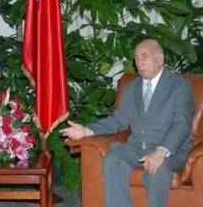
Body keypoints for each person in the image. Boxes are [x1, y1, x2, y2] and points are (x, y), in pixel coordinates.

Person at [60, 39, 194, 207]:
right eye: (136, 58)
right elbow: (119, 120)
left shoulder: (180, 86)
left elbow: (182, 124)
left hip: (171, 149)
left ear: (160, 59)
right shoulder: (132, 88)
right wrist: (87, 130)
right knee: (112, 161)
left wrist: (160, 152)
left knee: (157, 169)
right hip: (138, 147)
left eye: (144, 57)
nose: (139, 63)